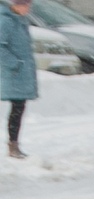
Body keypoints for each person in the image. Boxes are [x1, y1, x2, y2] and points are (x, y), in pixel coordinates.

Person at [2, 0, 36, 162]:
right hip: (10, 73)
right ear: (14, 5)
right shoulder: (6, 21)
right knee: (17, 109)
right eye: (24, 4)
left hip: (18, 74)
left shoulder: (21, 22)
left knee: (18, 108)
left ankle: (13, 145)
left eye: (29, 4)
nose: (27, 8)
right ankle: (13, 145)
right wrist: (14, 64)